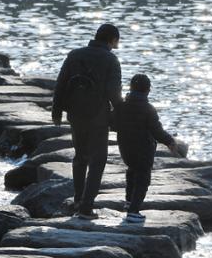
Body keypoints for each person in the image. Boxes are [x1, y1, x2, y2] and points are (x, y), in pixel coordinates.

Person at [52, 24, 123, 220]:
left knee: (80, 156)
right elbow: (114, 93)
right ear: (111, 40)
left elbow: (61, 83)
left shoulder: (74, 55)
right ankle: (86, 207)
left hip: (75, 114)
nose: (118, 44)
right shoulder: (111, 59)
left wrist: (56, 111)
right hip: (98, 117)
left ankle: (77, 199)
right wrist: (123, 114)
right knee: (98, 161)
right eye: (117, 40)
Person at [113, 74, 178, 223]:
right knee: (142, 179)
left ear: (130, 88)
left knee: (131, 172)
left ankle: (129, 201)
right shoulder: (148, 109)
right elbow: (157, 130)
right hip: (143, 150)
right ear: (148, 90)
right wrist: (170, 141)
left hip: (126, 149)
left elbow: (114, 124)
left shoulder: (122, 106)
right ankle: (134, 210)